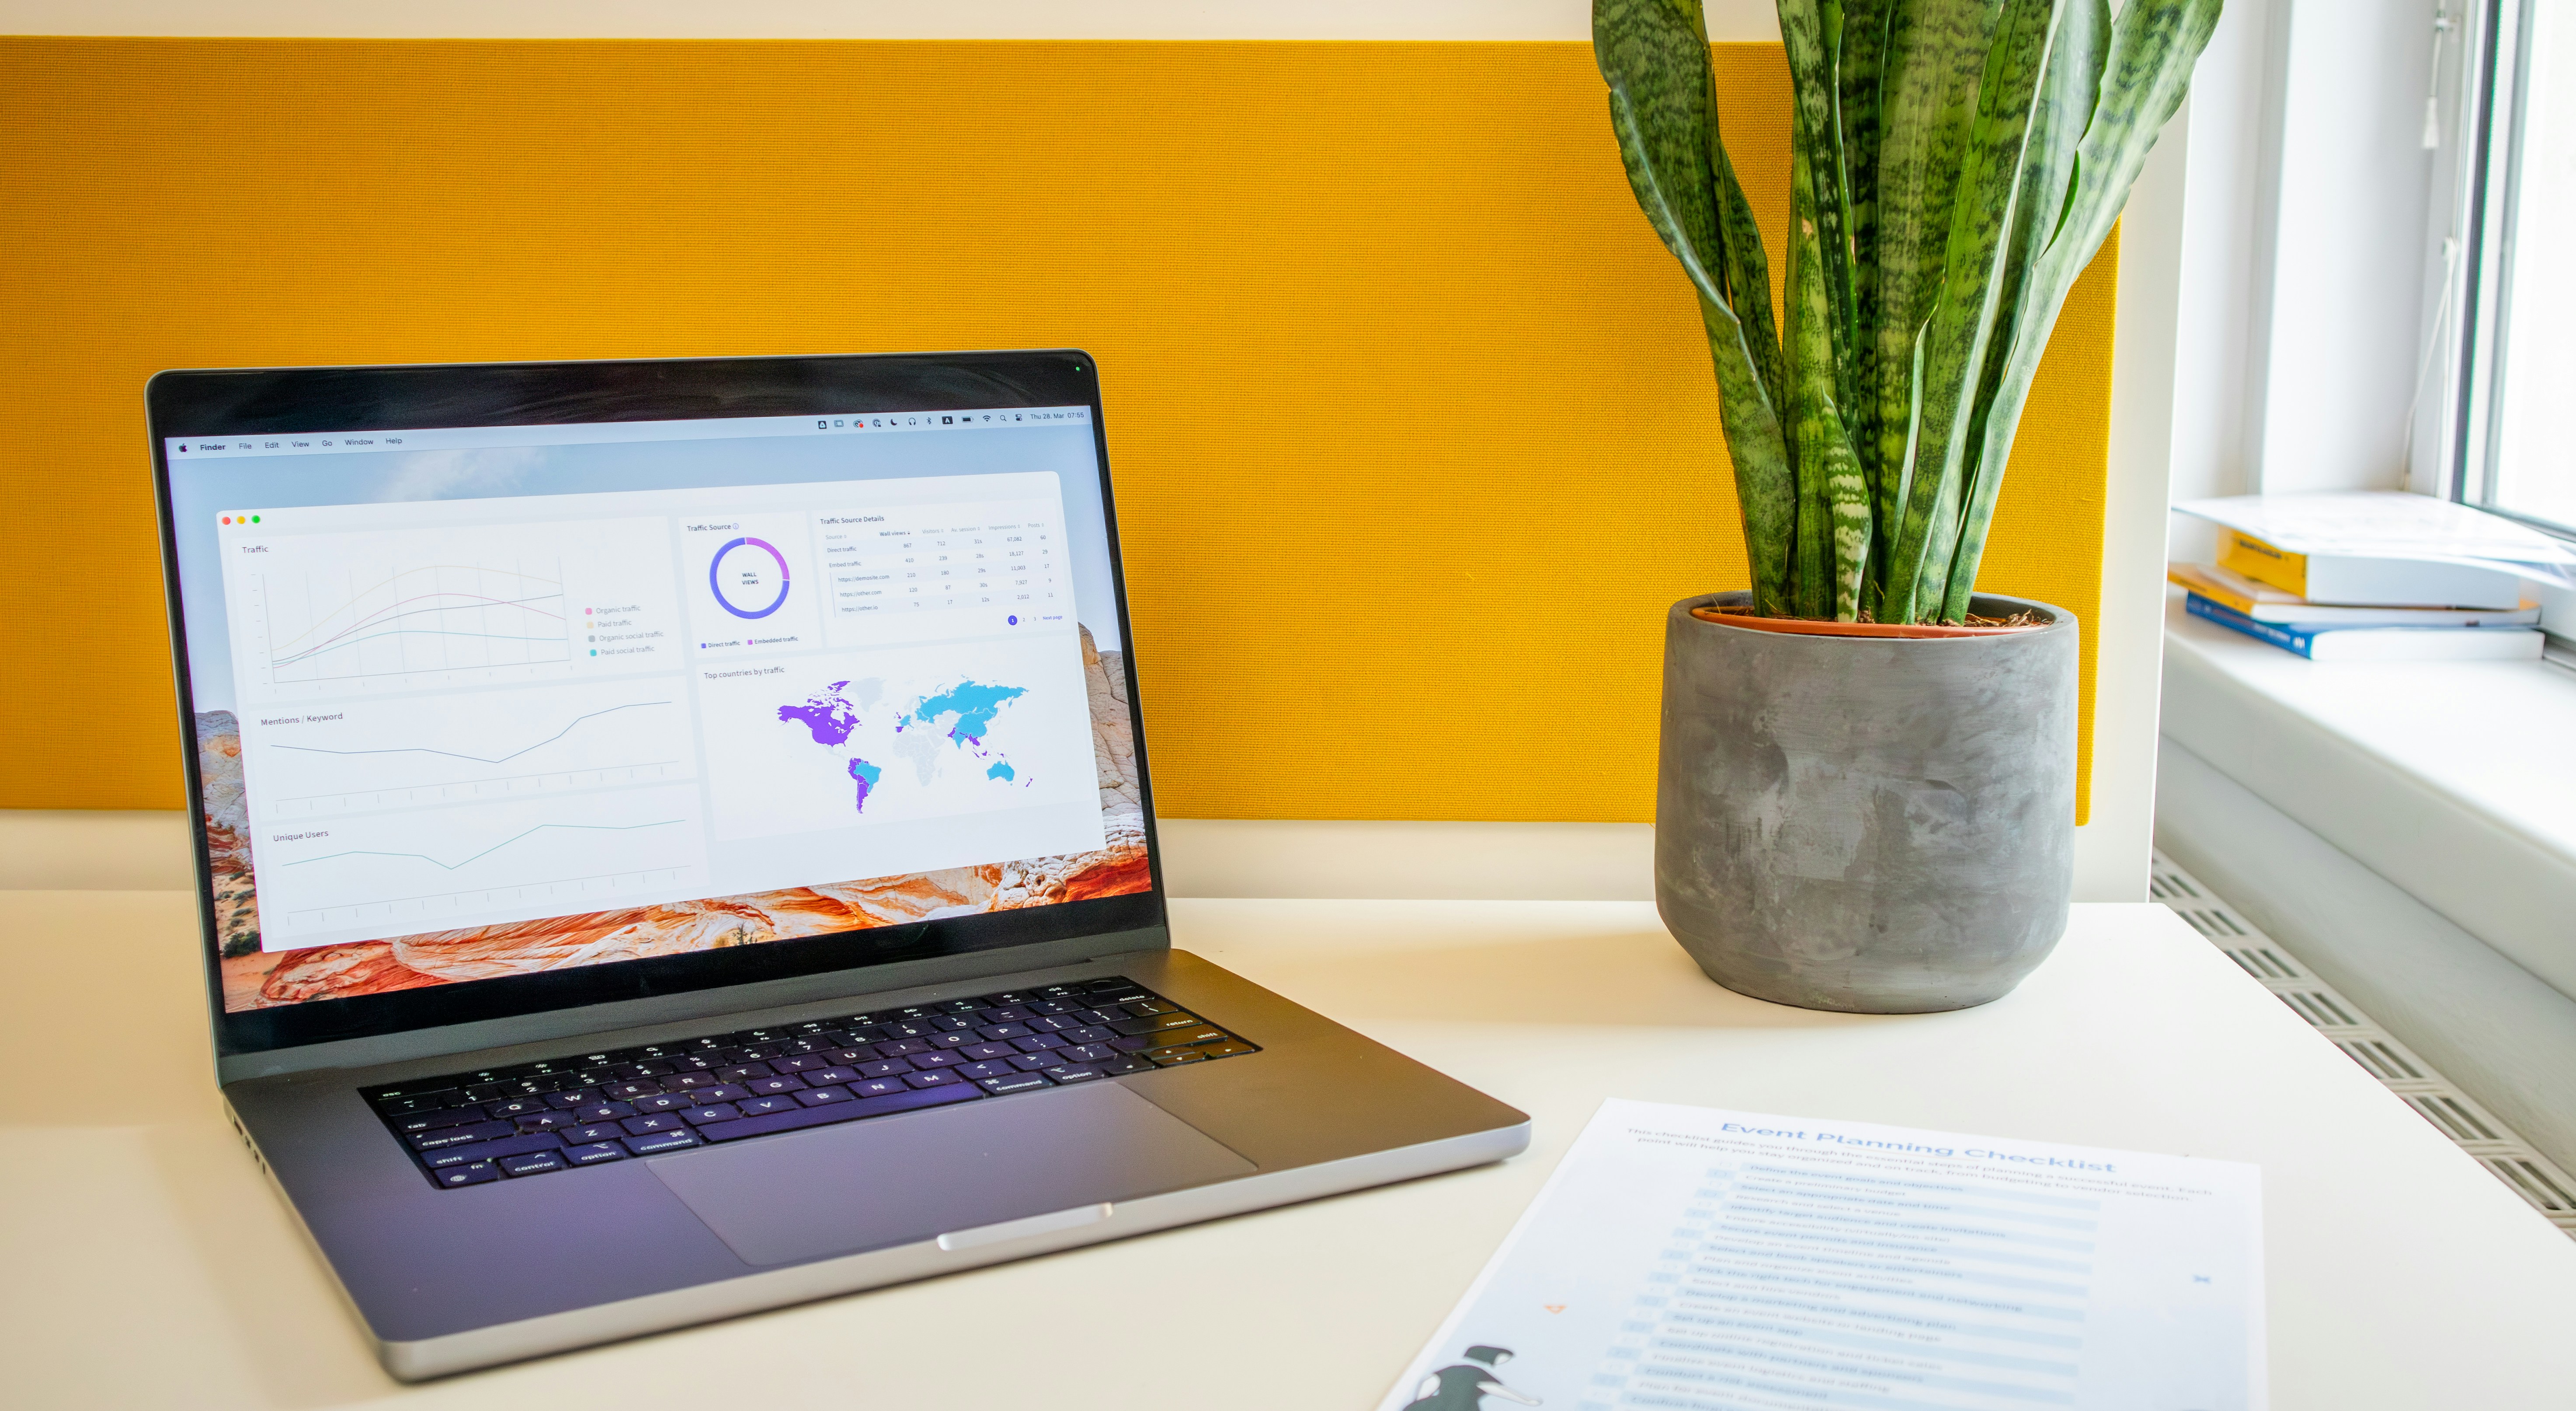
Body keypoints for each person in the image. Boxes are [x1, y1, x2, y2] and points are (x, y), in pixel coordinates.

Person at [1402, 1345, 1540, 1409]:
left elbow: (1431, 1382)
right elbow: (1494, 1389)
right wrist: (1527, 1401)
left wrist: (1419, 1403)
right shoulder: (1476, 1374)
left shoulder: (1450, 1370)